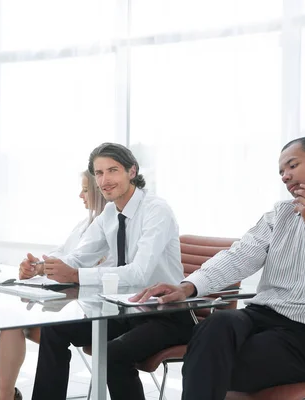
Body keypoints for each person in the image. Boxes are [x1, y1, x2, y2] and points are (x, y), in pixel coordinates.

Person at [131, 137, 305, 400]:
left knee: (204, 361)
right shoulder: (281, 214)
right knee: (217, 323)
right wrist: (188, 286)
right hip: (258, 317)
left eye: (292, 165)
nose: (285, 176)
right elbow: (238, 256)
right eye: (281, 171)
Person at [31, 142, 192, 400]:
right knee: (54, 330)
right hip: (127, 310)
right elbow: (80, 256)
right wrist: (44, 267)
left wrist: (74, 275)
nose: (104, 180)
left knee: (112, 353)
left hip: (167, 314)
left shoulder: (156, 210)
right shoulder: (109, 212)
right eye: (99, 173)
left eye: (112, 170)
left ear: (132, 171)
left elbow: (139, 273)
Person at [0, 170, 109, 400]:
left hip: (83, 311)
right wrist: (35, 266)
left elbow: (79, 264)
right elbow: (61, 254)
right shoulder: (85, 224)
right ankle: (4, 395)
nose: (80, 195)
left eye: (86, 189)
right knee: (11, 318)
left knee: (12, 315)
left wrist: (45, 268)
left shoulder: (108, 228)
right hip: (65, 302)